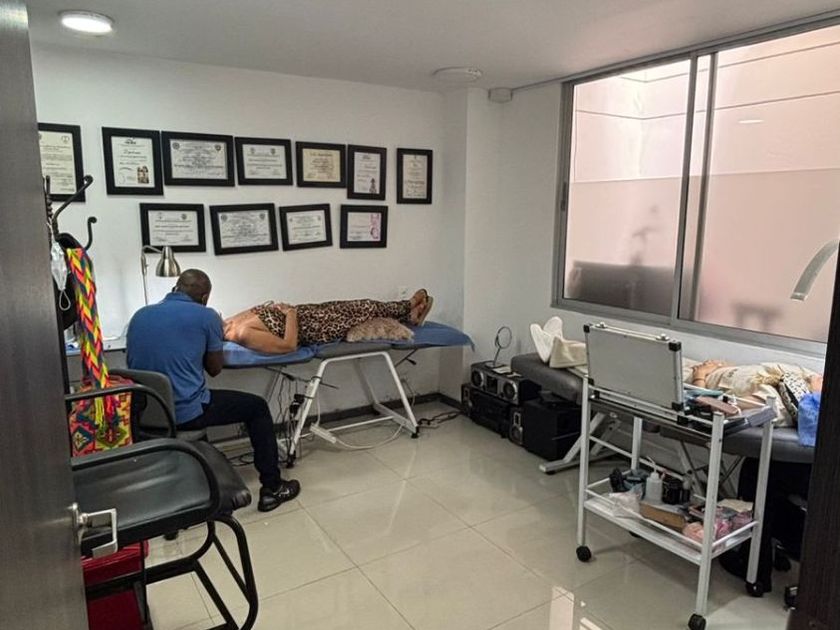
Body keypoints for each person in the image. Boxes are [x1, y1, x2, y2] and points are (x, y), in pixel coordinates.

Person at [126, 269, 299, 512]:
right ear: (205, 296)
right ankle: (273, 487)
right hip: (185, 413)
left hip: (146, 413)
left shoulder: (139, 315)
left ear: (175, 288)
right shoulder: (206, 316)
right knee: (257, 407)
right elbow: (214, 369)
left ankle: (195, 474)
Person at [223, 289, 434, 354]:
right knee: (365, 307)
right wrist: (290, 314)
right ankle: (408, 306)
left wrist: (277, 308)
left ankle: (409, 315)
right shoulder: (240, 333)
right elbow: (288, 345)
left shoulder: (230, 321)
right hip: (316, 327)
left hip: (310, 312)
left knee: (362, 305)